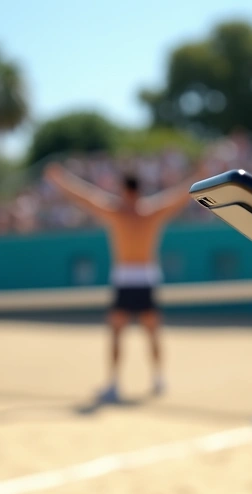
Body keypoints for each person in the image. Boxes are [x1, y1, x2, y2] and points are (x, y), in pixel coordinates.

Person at [44, 163, 193, 401]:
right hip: (139, 278)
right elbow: (180, 196)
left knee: (128, 332)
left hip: (133, 278)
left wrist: (60, 179)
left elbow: (85, 196)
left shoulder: (124, 211)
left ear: (124, 190)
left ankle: (127, 381)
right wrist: (201, 174)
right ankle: (150, 379)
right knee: (146, 331)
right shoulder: (148, 211)